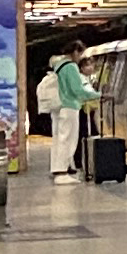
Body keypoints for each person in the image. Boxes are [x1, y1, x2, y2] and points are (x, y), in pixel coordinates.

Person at [43, 47, 100, 180]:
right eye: (80, 54)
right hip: (69, 106)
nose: (80, 57)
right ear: (75, 52)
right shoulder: (70, 67)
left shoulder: (58, 65)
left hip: (59, 107)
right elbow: (77, 90)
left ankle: (57, 169)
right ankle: (62, 173)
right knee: (68, 140)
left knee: (59, 139)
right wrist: (98, 95)